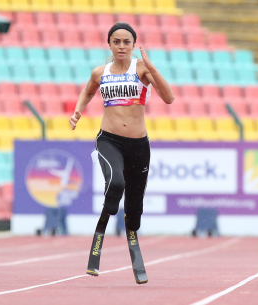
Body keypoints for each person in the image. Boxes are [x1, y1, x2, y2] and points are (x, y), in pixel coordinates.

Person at [69, 22, 174, 280]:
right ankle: (103, 223)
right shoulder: (99, 73)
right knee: (116, 183)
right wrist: (78, 110)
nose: (121, 46)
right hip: (109, 140)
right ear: (109, 44)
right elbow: (87, 91)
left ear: (134, 45)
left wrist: (152, 68)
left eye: (127, 42)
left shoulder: (141, 69)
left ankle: (132, 236)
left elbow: (169, 98)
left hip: (139, 145)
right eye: (116, 41)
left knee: (134, 207)